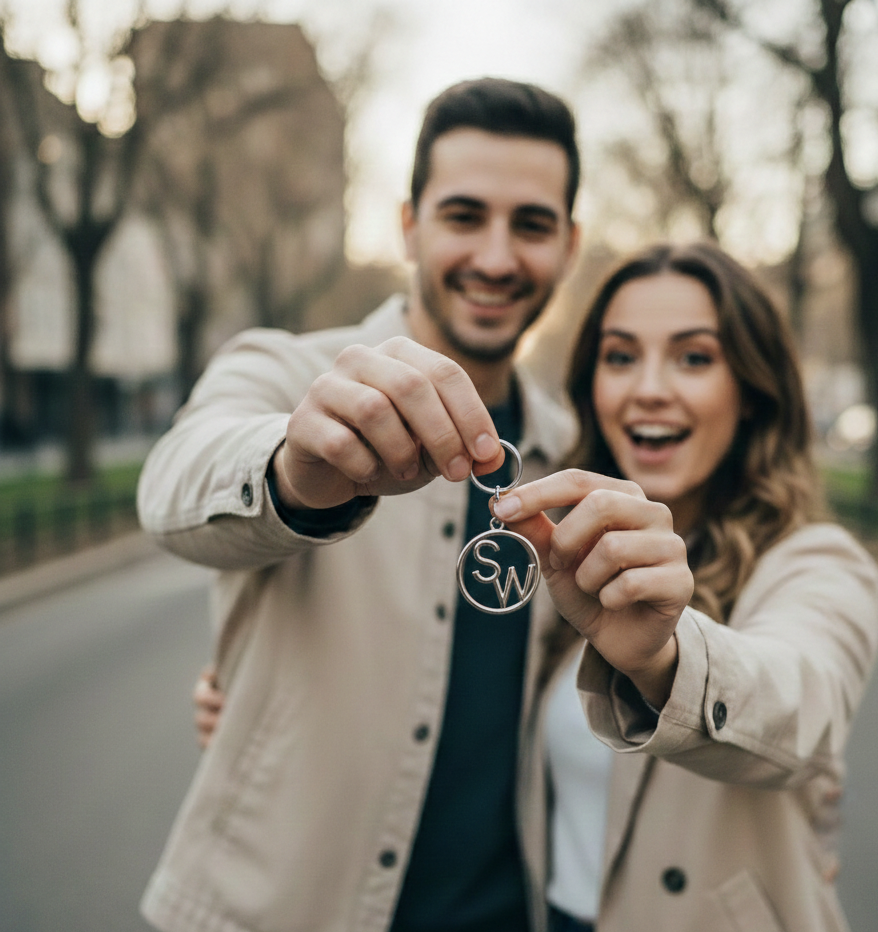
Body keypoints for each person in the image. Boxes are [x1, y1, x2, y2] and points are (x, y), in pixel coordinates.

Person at [193, 239, 878, 931]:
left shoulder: (816, 561)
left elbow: (803, 704)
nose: (648, 386)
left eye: (694, 357)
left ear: (753, 395)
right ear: (590, 389)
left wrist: (662, 660)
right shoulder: (565, 549)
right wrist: (270, 701)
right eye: (619, 356)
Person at [137, 77, 580, 932]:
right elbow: (172, 482)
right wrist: (297, 475)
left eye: (531, 224)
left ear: (570, 243)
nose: (496, 257)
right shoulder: (285, 371)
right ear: (409, 224)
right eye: (462, 216)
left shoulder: (574, 446)